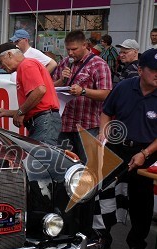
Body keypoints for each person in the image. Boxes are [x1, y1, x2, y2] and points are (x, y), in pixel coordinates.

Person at [98, 48, 157, 249]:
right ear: (140, 70)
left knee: (141, 200)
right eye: (154, 70)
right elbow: (106, 112)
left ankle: (137, 244)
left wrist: (145, 153)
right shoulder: (123, 87)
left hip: (147, 152)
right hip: (116, 147)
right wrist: (103, 134)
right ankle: (102, 239)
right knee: (105, 194)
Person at [53, 30, 112, 163]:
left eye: (74, 49)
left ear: (85, 45)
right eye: (68, 49)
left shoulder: (98, 64)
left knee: (88, 167)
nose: (70, 53)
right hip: (64, 125)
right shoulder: (64, 63)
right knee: (62, 165)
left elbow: (106, 94)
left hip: (87, 126)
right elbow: (51, 87)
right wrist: (61, 80)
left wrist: (83, 91)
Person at [0, 42, 61, 146]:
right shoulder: (26, 65)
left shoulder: (26, 65)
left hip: (44, 120)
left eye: (1, 62)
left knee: (40, 158)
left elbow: (40, 90)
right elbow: (37, 105)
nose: (1, 67)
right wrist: (5, 112)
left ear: (10, 55)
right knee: (39, 157)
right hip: (44, 120)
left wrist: (20, 112)